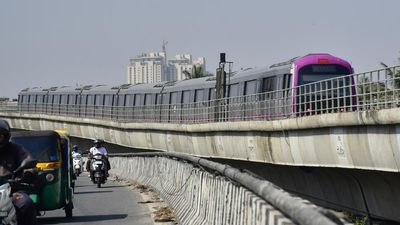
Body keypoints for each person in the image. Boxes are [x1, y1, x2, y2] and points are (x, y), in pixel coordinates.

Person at [0, 119, 37, 225]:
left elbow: (28, 160)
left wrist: (28, 173)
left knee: (26, 203)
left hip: (12, 191)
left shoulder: (16, 149)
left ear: (5, 136)